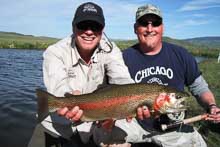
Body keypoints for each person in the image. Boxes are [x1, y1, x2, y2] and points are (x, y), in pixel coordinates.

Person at [28, 2, 134, 147]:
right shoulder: (55, 52)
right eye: (83, 25)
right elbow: (58, 85)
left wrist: (132, 102)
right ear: (73, 27)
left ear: (102, 30)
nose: (89, 32)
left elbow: (122, 80)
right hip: (59, 126)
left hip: (97, 126)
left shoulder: (111, 50)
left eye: (95, 26)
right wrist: (69, 97)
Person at [123, 4, 220, 147]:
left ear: (162, 27)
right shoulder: (123, 59)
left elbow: (199, 88)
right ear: (135, 28)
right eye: (144, 23)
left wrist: (211, 106)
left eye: (155, 23)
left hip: (174, 128)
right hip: (134, 126)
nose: (150, 29)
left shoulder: (181, 55)